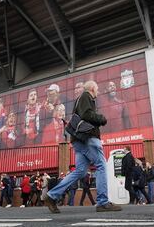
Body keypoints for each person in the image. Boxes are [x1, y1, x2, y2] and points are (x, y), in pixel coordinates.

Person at [43, 80, 121, 213]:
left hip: (79, 140)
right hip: (88, 138)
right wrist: (101, 118)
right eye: (96, 89)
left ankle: (51, 196)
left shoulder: (81, 99)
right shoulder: (86, 96)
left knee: (80, 171)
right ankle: (102, 202)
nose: (97, 91)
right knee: (101, 165)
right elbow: (86, 114)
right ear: (91, 88)